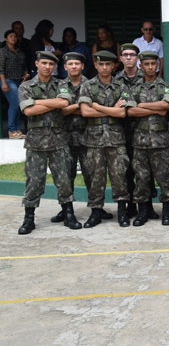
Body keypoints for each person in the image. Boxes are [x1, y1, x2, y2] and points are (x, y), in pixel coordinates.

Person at [17, 51, 78, 235]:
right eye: (44, 63)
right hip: (36, 141)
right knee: (34, 181)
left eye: (51, 64)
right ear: (36, 63)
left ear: (55, 67)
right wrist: (55, 103)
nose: (47, 67)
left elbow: (65, 100)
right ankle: (29, 218)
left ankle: (68, 214)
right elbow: (27, 111)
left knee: (65, 179)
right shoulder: (26, 86)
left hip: (58, 139)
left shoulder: (61, 84)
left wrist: (37, 103)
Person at [78, 50, 135, 228]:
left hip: (116, 138)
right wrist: (111, 109)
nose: (104, 67)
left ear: (113, 66)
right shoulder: (87, 85)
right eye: (101, 64)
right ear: (95, 65)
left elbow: (123, 113)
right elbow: (85, 112)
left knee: (120, 176)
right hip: (94, 139)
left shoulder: (121, 87)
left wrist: (96, 105)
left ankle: (122, 212)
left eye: (108, 64)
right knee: (96, 177)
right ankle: (95, 213)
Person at [53, 52, 110, 224]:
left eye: (77, 64)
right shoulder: (59, 85)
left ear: (82, 66)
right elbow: (60, 111)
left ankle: (97, 209)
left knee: (92, 174)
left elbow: (93, 109)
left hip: (87, 135)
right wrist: (82, 106)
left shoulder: (91, 84)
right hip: (65, 136)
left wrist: (71, 107)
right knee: (65, 175)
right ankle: (66, 210)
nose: (74, 67)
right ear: (65, 67)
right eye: (70, 64)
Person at [128, 50, 169, 226]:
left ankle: (167, 210)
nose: (149, 67)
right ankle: (143, 211)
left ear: (157, 65)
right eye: (146, 64)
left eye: (153, 64)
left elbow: (165, 106)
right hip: (140, 140)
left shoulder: (166, 86)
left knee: (165, 177)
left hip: (161, 139)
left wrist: (141, 105)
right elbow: (130, 111)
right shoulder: (134, 88)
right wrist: (154, 108)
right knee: (141, 177)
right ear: (140, 65)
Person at [117, 43, 157, 220]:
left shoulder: (147, 77)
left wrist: (138, 108)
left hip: (145, 132)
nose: (128, 58)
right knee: (127, 171)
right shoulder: (116, 81)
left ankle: (147, 206)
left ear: (137, 58)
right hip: (123, 132)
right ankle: (131, 205)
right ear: (120, 58)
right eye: (125, 54)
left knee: (145, 171)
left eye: (132, 54)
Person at [0, 29, 30, 138]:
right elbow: (1, 69)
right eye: (11, 36)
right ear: (6, 39)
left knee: (18, 105)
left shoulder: (20, 51)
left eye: (15, 36)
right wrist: (3, 83)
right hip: (8, 80)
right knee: (15, 104)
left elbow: (25, 67)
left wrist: (26, 75)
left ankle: (17, 130)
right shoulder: (3, 52)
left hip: (19, 81)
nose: (14, 38)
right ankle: (12, 130)